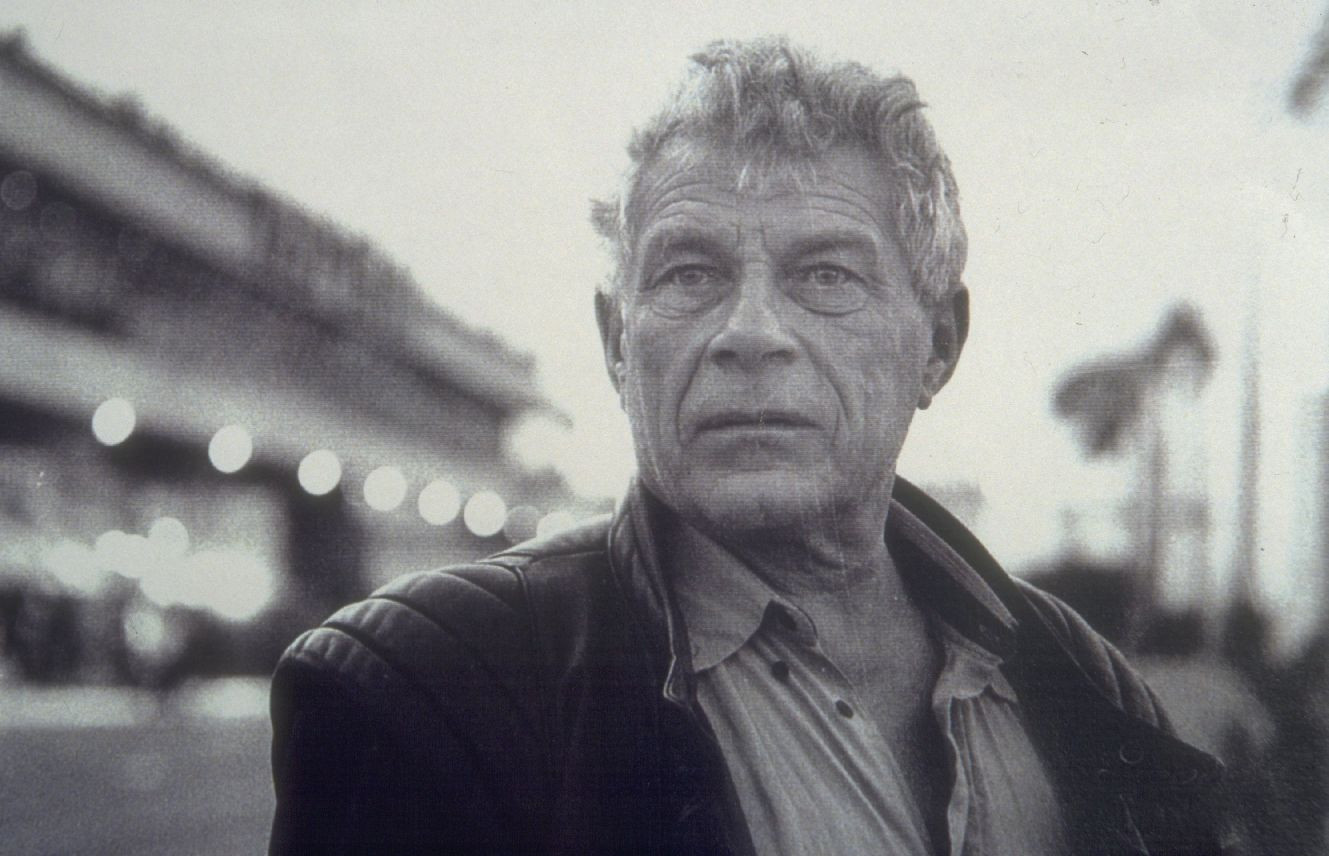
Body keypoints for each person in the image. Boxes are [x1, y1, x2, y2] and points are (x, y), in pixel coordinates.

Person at [268, 37, 1225, 855]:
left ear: (937, 345)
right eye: (689, 273)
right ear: (616, 342)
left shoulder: (1080, 679)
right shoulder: (423, 692)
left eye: (826, 275)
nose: (750, 332)